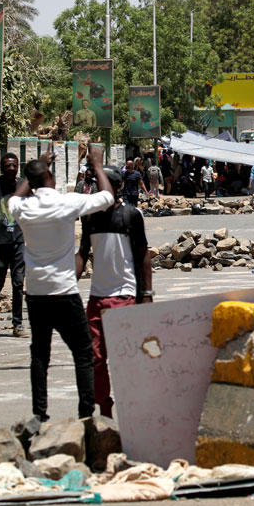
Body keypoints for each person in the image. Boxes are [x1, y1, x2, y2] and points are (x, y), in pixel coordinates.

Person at [9, 146, 114, 422]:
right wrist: (99, 166)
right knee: (82, 352)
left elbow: (12, 200)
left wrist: (35, 170)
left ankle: (40, 414)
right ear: (52, 179)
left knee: (40, 355)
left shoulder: (23, 207)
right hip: (64, 291)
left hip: (36, 292)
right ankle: (85, 414)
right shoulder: (67, 202)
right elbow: (106, 197)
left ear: (30, 183)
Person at [75, 165, 152, 417]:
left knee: (126, 361)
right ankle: (105, 412)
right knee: (96, 360)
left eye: (103, 183)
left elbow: (143, 257)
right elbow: (83, 253)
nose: (99, 188)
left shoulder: (131, 215)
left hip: (125, 296)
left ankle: (132, 412)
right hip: (97, 298)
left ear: (117, 188)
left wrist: (147, 294)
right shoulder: (90, 217)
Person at [0, 153, 26, 337]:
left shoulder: (23, 185)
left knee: (18, 283)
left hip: (19, 241)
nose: (11, 168)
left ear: (18, 166)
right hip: (0, 241)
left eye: (14, 165)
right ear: (3, 168)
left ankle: (17, 324)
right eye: (8, 165)